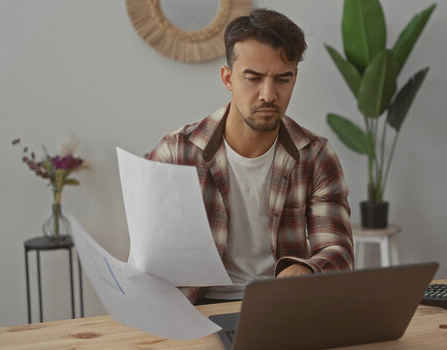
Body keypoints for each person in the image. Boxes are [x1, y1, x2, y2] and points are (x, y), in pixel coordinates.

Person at [148, 8, 353, 305]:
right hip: (197, 308)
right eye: (253, 78)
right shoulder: (175, 153)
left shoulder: (316, 156)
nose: (268, 94)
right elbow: (152, 261)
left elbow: (339, 253)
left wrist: (306, 269)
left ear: (295, 77)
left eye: (283, 79)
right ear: (228, 78)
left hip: (285, 305)